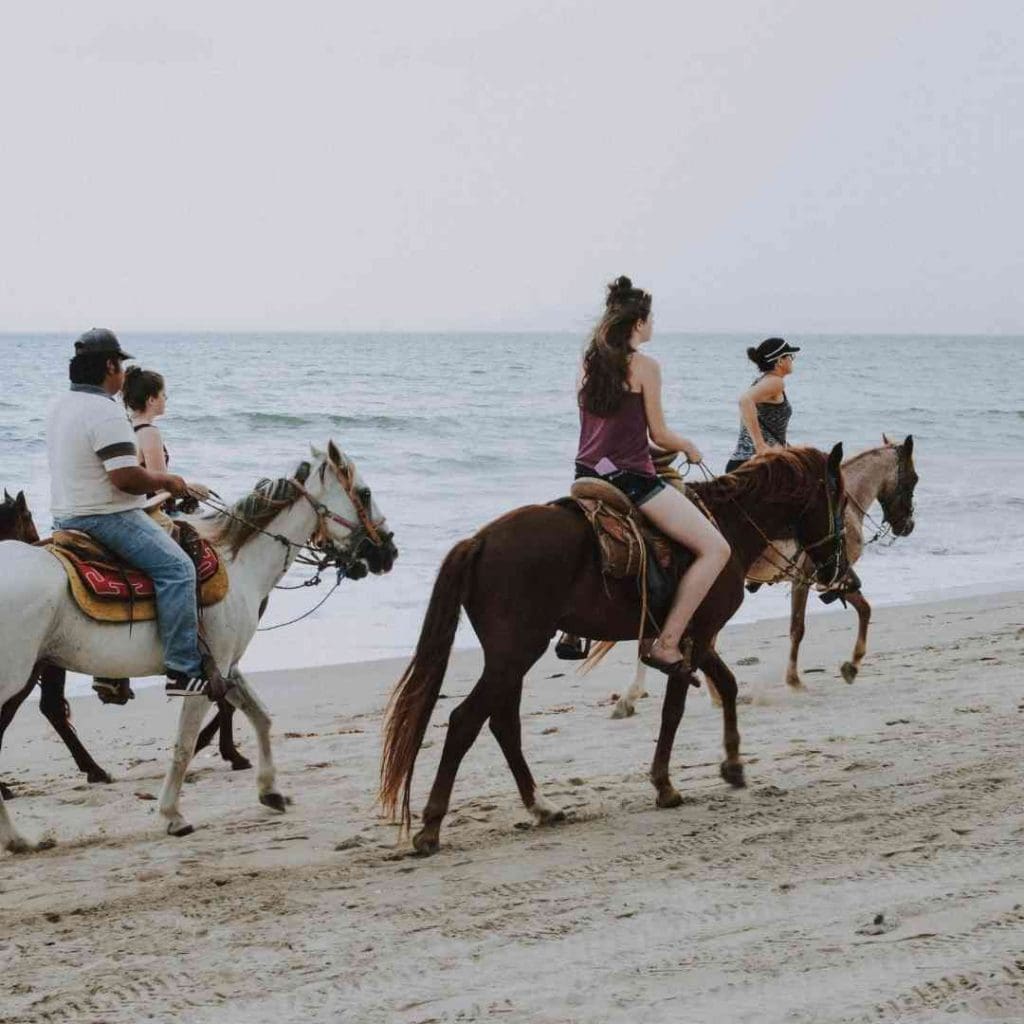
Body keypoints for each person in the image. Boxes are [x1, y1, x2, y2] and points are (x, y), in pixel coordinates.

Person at [575, 277, 731, 674]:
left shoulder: (588, 364)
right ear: (638, 323)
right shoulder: (645, 366)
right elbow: (658, 434)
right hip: (629, 480)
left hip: (586, 472)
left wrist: (656, 451)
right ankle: (666, 643)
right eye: (651, 318)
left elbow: (606, 433)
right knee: (716, 550)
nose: (653, 326)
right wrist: (687, 446)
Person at [46, 328, 214, 697]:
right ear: (109, 366)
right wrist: (168, 482)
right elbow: (124, 478)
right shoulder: (104, 411)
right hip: (106, 517)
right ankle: (183, 670)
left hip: (64, 517)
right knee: (178, 569)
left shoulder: (60, 406)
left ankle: (112, 668)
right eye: (120, 364)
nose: (122, 373)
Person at [725, 337, 799, 473]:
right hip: (756, 467)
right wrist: (760, 445)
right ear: (780, 361)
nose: (792, 360)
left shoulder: (764, 381)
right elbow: (745, 401)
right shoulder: (776, 382)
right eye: (790, 356)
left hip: (745, 464)